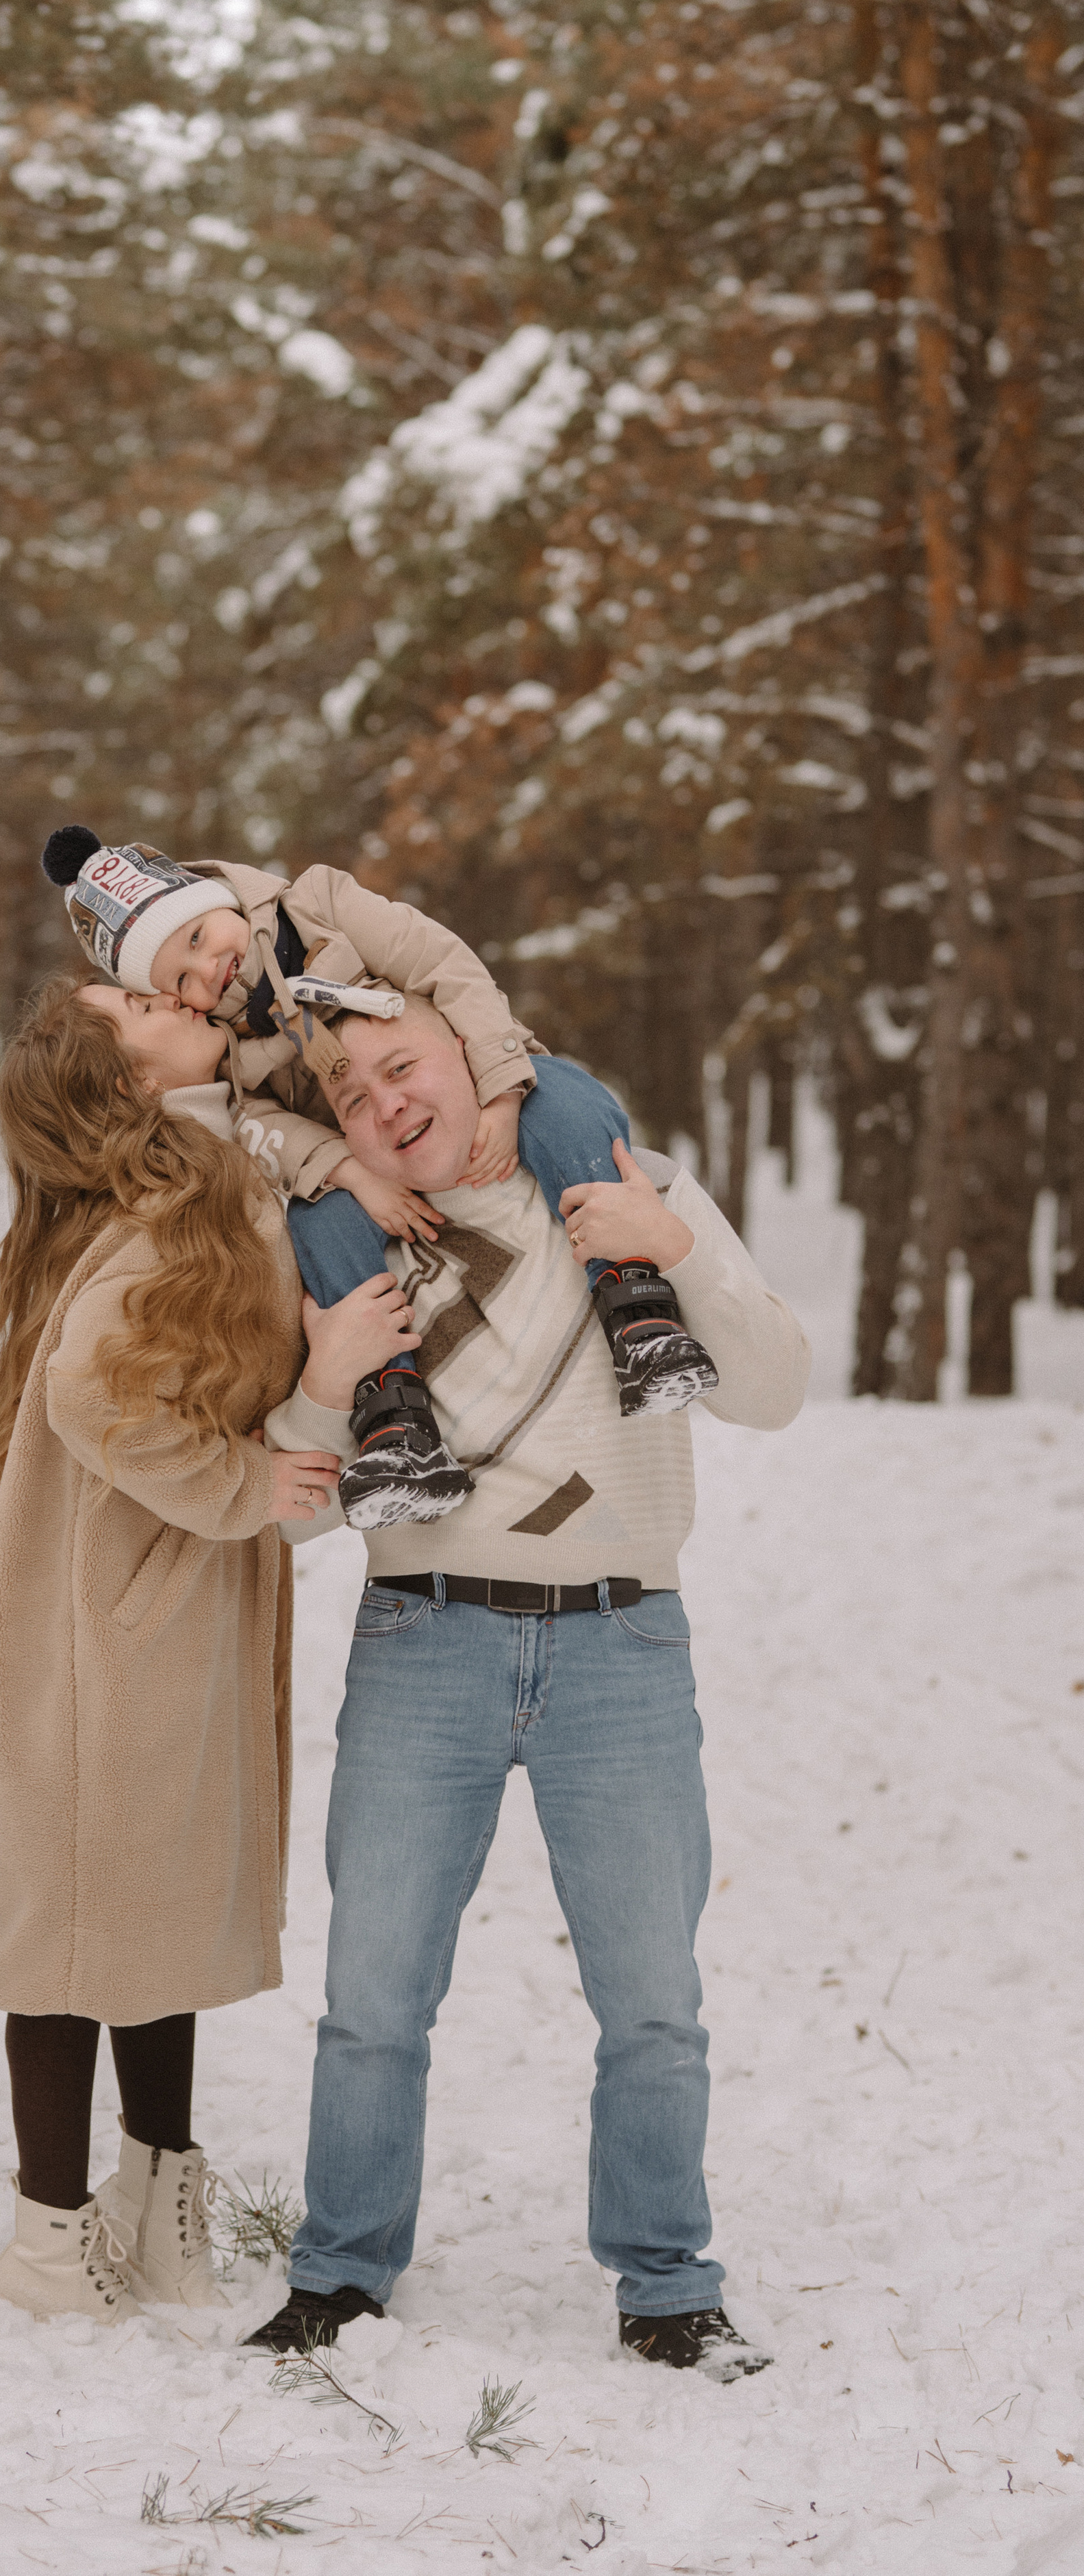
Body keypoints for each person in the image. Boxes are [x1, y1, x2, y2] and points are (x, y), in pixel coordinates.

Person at [245, 997, 810, 2380]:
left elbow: (777, 1389)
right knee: (371, 1994)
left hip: (617, 1644)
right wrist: (322, 1385)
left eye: (402, 1064)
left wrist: (672, 1251)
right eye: (351, 1087)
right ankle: (339, 2274)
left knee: (650, 2001)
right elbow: (293, 1514)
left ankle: (666, 2283)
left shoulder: (622, 1176)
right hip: (418, 1640)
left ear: (469, 1060)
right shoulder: (337, 1239)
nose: (384, 1099)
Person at [0, 973, 404, 2325]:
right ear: (131, 1080)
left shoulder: (209, 1164)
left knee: (148, 1912)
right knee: (75, 1926)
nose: (167, 991)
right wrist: (277, 1444)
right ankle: (49, 2239)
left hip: (148, 1604)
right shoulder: (175, 1199)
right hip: (101, 1615)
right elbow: (88, 1390)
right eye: (135, 998)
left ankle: (159, 2198)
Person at [38, 827, 720, 1536]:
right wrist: (346, 1170)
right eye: (178, 981)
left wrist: (500, 1086)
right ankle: (393, 1415)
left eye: (202, 937)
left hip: (460, 1083)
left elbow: (441, 963)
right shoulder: (225, 1041)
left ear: (220, 897)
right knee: (320, 1222)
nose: (208, 972)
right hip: (364, 1150)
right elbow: (258, 1123)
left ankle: (635, 1300)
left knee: (568, 1100)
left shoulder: (318, 905)